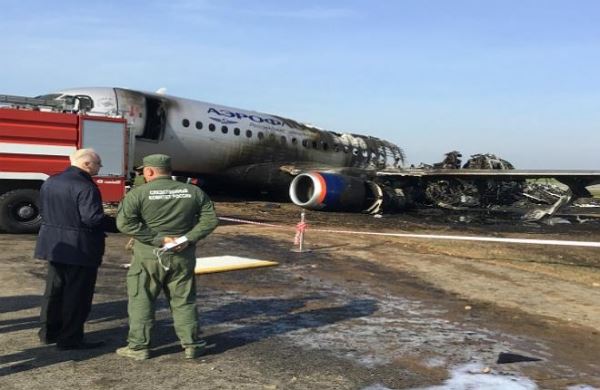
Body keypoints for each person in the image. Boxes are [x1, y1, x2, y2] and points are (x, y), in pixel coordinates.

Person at [115, 154, 218, 360]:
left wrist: (159, 239)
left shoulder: (138, 193)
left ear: (150, 171)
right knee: (184, 300)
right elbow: (210, 220)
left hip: (148, 258)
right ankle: (192, 345)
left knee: (141, 300)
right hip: (182, 257)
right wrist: (186, 239)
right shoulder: (193, 192)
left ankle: (138, 347)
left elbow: (124, 224)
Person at [35, 148, 106, 350]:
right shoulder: (86, 187)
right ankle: (71, 338)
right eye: (98, 163)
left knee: (54, 290)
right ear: (86, 164)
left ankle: (48, 332)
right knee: (77, 294)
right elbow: (91, 219)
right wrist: (111, 222)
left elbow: (44, 210)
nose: (100, 167)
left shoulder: (51, 181)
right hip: (80, 248)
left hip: (54, 245)